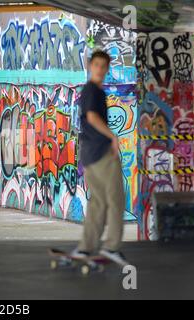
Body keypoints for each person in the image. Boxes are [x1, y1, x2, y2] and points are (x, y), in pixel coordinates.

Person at [72, 50, 127, 265]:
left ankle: (86, 248)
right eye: (97, 65)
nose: (100, 69)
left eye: (104, 66)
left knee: (98, 202)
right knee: (116, 200)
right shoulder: (93, 91)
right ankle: (112, 246)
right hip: (101, 153)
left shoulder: (89, 91)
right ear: (90, 66)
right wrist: (112, 136)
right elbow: (93, 117)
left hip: (88, 154)